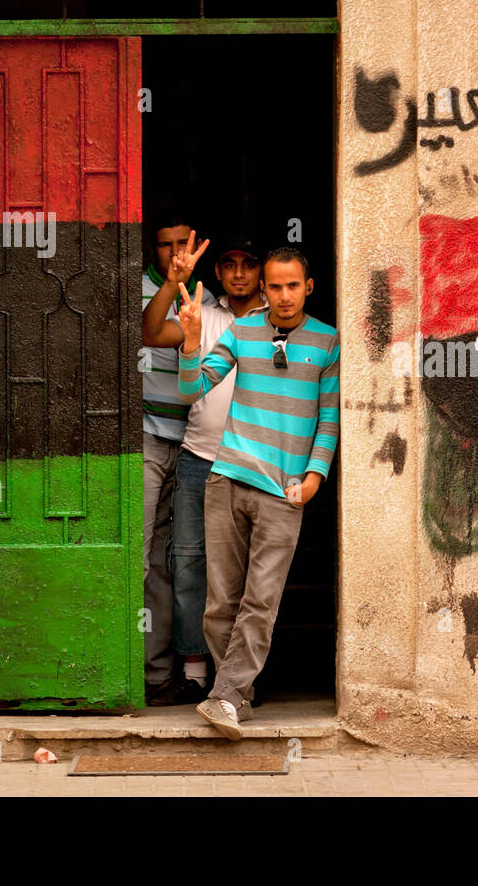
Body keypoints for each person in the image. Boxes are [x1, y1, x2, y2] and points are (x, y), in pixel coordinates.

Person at [176, 247, 339, 740]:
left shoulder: (327, 341)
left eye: (293, 286)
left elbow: (328, 418)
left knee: (260, 599)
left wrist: (314, 478)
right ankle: (236, 697)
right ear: (262, 290)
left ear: (308, 287)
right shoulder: (243, 332)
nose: (284, 295)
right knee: (219, 601)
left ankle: (223, 696)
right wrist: (188, 342)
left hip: (285, 491)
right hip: (227, 478)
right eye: (275, 286)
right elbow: (192, 389)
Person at [141, 232, 267, 705]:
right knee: (190, 565)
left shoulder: (276, 321)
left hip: (254, 462)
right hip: (198, 459)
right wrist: (174, 283)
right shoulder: (202, 314)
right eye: (229, 265)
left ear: (260, 272)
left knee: (251, 573)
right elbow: (151, 334)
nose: (238, 273)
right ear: (217, 273)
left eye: (247, 264)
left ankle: (238, 676)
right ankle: (195, 671)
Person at [140, 211, 214, 702]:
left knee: (179, 561)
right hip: (146, 437)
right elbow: (149, 330)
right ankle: (141, 671)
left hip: (192, 444)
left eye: (180, 243)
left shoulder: (214, 301)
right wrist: (171, 284)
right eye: (164, 245)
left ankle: (167, 672)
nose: (174, 253)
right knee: (142, 555)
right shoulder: (141, 289)